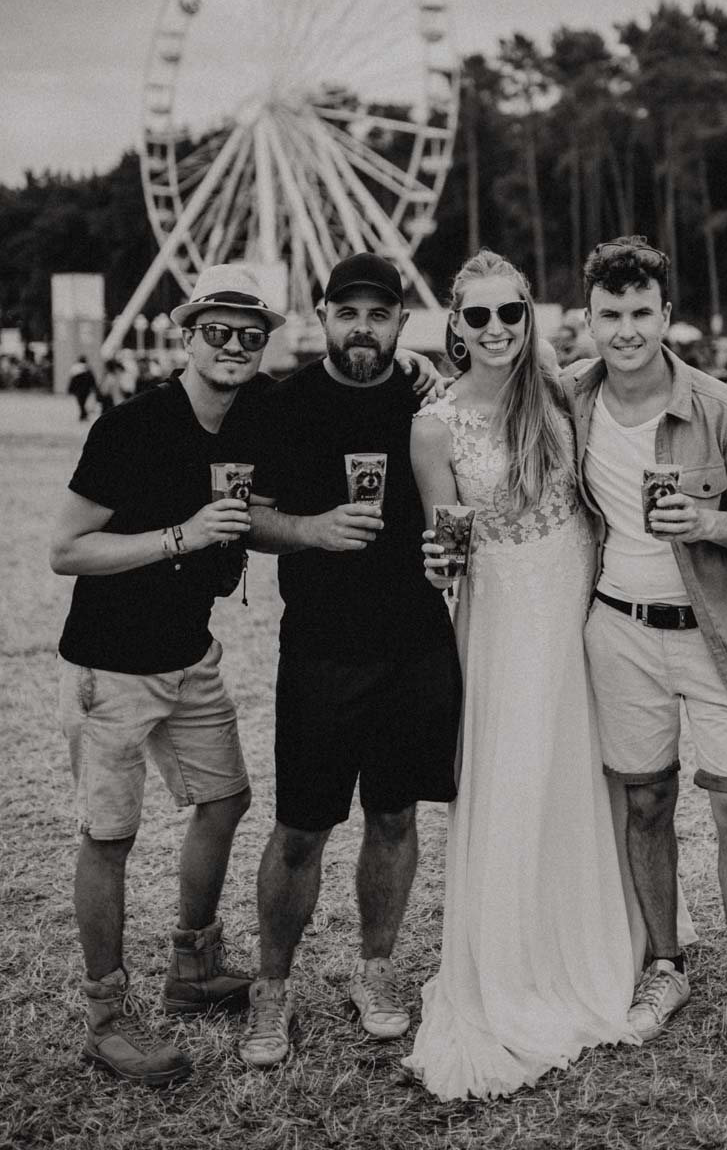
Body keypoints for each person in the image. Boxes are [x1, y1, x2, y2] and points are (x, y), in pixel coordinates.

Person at [403, 249, 639, 1100]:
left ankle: (601, 937)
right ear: (455, 329)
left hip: (578, 591)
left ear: (529, 315)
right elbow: (446, 538)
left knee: (584, 764)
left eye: (511, 313)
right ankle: (509, 965)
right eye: (478, 317)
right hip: (501, 610)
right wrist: (438, 564)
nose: (497, 329)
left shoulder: (564, 393)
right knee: (512, 772)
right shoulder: (435, 425)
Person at [561, 236, 727, 1083]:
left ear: (667, 316)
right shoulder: (570, 401)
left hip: (717, 631)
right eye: (610, 315)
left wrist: (705, 526)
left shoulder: (719, 407)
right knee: (648, 800)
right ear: (587, 321)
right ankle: (665, 965)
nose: (626, 331)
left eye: (640, 314)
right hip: (617, 629)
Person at [49, 264, 285, 1087]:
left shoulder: (252, 416)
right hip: (110, 664)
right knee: (109, 837)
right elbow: (67, 549)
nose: (233, 346)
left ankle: (192, 966)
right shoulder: (129, 426)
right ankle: (105, 1019)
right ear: (185, 335)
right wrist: (180, 536)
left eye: (250, 335)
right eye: (216, 330)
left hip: (190, 655)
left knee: (225, 800)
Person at [238, 253, 462, 1069]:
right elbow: (248, 516)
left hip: (415, 640)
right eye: (347, 312)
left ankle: (376, 968)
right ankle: (272, 985)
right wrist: (311, 530)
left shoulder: (428, 394)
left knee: (395, 814)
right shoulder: (286, 403)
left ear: (403, 323)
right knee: (302, 826)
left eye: (379, 314)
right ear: (322, 315)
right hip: (322, 645)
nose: (361, 327)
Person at [67, 356, 98, 421]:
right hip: (86, 388)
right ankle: (83, 415)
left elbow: (72, 381)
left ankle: (83, 415)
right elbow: (92, 380)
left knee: (80, 402)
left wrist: (70, 389)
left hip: (78, 389)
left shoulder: (75, 369)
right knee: (83, 402)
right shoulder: (88, 369)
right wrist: (95, 388)